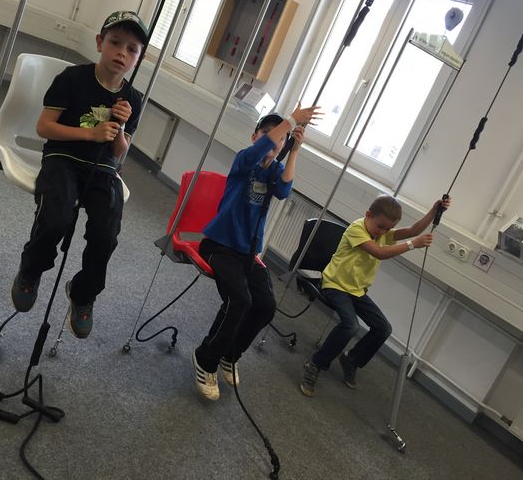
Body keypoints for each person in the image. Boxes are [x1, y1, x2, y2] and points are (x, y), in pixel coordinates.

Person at [10, 11, 149, 339]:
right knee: (56, 217)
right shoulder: (72, 79)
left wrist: (121, 127)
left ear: (138, 59)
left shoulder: (132, 99)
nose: (121, 53)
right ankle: (31, 270)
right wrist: (91, 134)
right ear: (100, 43)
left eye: (131, 49)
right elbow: (44, 127)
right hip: (63, 157)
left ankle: (83, 294)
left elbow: (120, 151)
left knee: (106, 232)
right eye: (115, 43)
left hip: (103, 168)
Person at [192, 104, 322, 401]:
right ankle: (205, 359)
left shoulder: (275, 170)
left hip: (247, 253)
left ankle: (230, 355)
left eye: (279, 139)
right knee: (239, 301)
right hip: (219, 246)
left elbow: (284, 190)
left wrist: (294, 150)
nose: (272, 141)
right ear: (255, 136)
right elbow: (259, 151)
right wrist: (290, 120)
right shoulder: (245, 160)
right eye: (266, 134)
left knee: (265, 306)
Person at [299, 194, 451, 396]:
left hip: (356, 291)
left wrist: (434, 210)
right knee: (350, 325)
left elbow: (413, 230)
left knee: (383, 328)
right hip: (335, 285)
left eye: (388, 229)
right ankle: (316, 363)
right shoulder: (357, 229)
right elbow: (379, 253)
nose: (383, 232)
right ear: (368, 215)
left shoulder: (382, 232)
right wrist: (412, 244)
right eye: (381, 227)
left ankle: (351, 360)